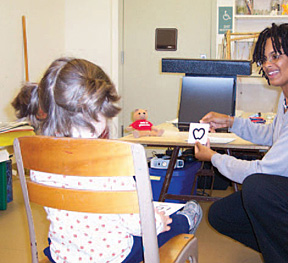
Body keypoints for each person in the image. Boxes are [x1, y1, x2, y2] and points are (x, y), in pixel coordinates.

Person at [12, 57, 202, 263]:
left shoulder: (38, 158)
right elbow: (138, 225)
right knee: (166, 225)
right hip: (114, 256)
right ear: (97, 114)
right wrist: (157, 220)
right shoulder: (112, 165)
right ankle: (185, 219)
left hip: (64, 254)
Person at [194, 23, 288, 263]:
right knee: (221, 215)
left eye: (275, 56)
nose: (267, 65)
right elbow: (273, 135)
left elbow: (264, 171)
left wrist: (213, 157)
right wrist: (230, 121)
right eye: (264, 58)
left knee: (258, 188)